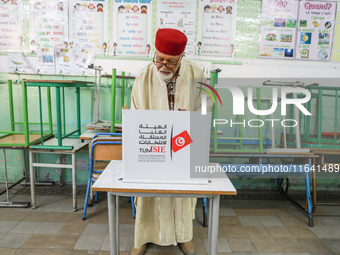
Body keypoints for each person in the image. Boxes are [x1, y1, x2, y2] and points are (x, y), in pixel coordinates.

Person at [130, 28, 213, 255]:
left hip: (184, 145)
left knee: (183, 194)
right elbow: (136, 114)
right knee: (148, 194)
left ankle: (183, 236)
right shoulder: (143, 76)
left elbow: (206, 108)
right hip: (152, 145)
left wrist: (189, 124)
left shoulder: (197, 74)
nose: (164, 66)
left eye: (171, 62)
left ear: (181, 58)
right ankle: (142, 238)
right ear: (155, 53)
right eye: (160, 59)